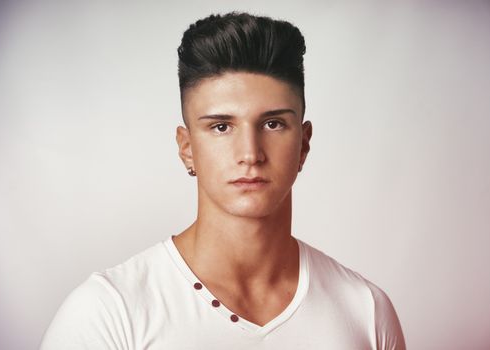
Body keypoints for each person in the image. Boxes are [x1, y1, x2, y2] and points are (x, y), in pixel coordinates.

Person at [40, 12, 406, 349]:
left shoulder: (366, 311)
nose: (250, 153)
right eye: (221, 127)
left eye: (273, 123)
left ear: (303, 144)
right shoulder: (109, 312)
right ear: (187, 148)